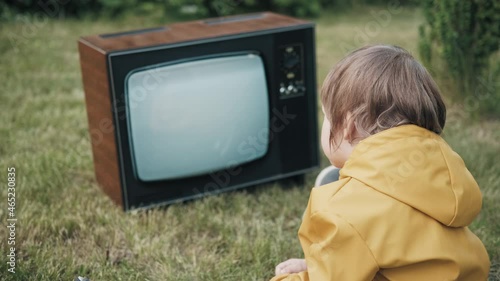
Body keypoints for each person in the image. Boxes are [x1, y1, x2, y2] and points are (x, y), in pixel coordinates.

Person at [271, 45, 490, 281]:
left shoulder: (348, 209)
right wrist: (317, 263)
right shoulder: (442, 175)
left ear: (347, 126)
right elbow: (405, 249)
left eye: (326, 115)